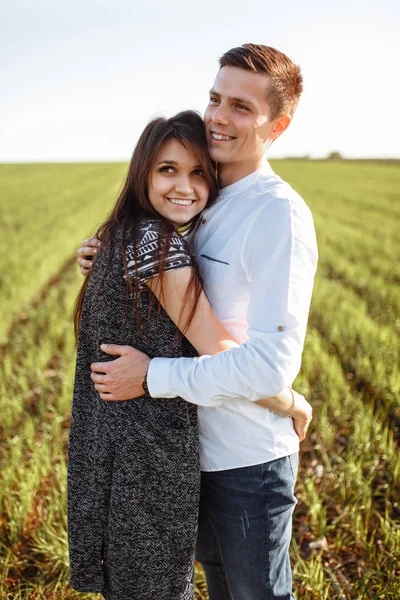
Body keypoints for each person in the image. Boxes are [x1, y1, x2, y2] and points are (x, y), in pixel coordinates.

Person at [70, 109, 313, 600]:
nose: (185, 185)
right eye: (168, 170)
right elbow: (219, 348)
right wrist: (293, 402)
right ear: (144, 173)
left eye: (198, 172)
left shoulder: (129, 235)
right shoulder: (154, 245)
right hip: (145, 459)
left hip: (117, 454)